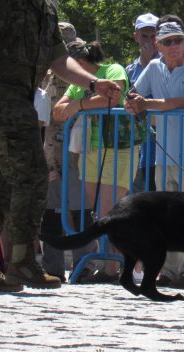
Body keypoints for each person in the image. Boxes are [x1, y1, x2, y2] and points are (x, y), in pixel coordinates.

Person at [0, 0, 121, 293]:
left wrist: (95, 83)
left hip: (18, 102)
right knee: (33, 175)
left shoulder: (45, 9)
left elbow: (58, 60)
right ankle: (21, 263)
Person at [125, 17, 184, 289]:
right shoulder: (153, 66)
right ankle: (169, 270)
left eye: (178, 40)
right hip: (164, 155)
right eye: (167, 42)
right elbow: (135, 92)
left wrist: (146, 103)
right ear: (158, 46)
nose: (174, 46)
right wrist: (132, 101)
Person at [54, 39, 134, 282]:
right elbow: (58, 110)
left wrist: (78, 105)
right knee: (97, 211)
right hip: (90, 151)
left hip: (118, 148)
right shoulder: (78, 84)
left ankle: (116, 266)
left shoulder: (113, 70)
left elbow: (113, 98)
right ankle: (107, 262)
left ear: (78, 63)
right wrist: (84, 104)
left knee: (110, 209)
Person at [40, 22, 97, 283]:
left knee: (80, 210)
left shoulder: (84, 74)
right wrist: (48, 163)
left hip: (78, 153)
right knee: (51, 211)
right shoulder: (42, 74)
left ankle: (84, 264)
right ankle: (51, 266)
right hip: (51, 151)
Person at [125, 13, 160, 193]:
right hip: (136, 150)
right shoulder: (128, 70)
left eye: (153, 36)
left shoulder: (168, 65)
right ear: (136, 36)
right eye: (144, 35)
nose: (149, 40)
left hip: (159, 151)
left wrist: (149, 64)